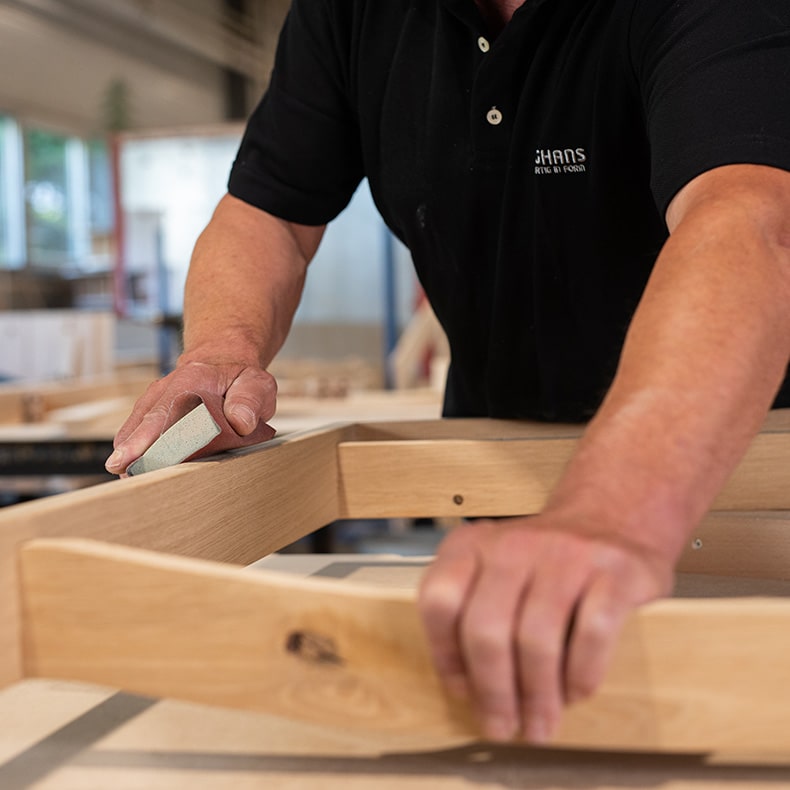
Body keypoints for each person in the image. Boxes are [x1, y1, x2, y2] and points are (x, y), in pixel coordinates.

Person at [106, 0, 790, 745]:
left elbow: (752, 219)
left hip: (727, 482)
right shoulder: (353, 15)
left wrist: (610, 512)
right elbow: (265, 213)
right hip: (505, 486)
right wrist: (218, 353)